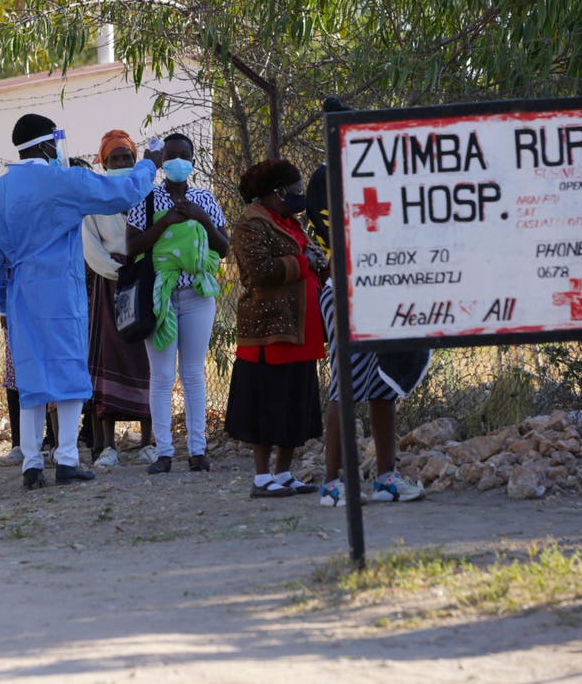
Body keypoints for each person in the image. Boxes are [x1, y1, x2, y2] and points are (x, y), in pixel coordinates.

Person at [0, 113, 162, 490]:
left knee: (31, 376)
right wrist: (149, 165)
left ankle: (32, 464)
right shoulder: (64, 181)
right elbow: (124, 193)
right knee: (69, 371)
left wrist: (3, 300)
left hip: (21, 293)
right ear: (48, 145)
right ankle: (66, 459)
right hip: (60, 290)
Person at [308, 98, 425, 506]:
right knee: (345, 384)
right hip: (346, 291)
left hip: (379, 289)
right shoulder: (328, 177)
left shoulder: (372, 171)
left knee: (383, 385)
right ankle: (332, 483)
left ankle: (386, 478)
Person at [126, 132, 229, 474]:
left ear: (193, 161)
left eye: (183, 155)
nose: (177, 161)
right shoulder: (147, 199)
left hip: (197, 296)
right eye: (170, 156)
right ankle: (164, 453)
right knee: (161, 377)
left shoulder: (204, 199)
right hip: (160, 297)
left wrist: (201, 218)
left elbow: (223, 247)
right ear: (162, 162)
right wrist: (168, 221)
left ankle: (198, 451)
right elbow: (132, 246)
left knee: (193, 374)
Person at [225, 159, 325, 498]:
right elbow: (259, 272)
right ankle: (261, 477)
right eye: (296, 190)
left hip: (300, 328)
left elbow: (308, 260)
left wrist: (317, 262)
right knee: (268, 404)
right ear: (277, 192)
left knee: (295, 402)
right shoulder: (251, 225)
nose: (300, 197)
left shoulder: (289, 223)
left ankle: (283, 472)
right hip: (269, 331)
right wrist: (304, 262)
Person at [83, 130, 153, 468]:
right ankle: (108, 446)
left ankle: (149, 441)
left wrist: (142, 271)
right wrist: (119, 272)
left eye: (127, 157)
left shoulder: (148, 192)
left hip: (147, 280)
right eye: (116, 158)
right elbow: (91, 247)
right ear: (104, 163)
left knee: (148, 357)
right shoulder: (94, 198)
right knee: (108, 356)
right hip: (111, 285)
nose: (122, 163)